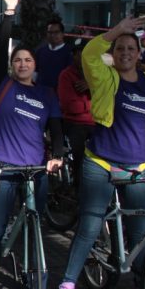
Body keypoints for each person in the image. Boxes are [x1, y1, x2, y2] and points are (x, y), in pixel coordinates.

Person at [56, 15, 145, 289]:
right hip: (101, 162)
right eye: (120, 48)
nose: (125, 53)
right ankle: (68, 284)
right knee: (90, 225)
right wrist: (117, 30)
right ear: (114, 53)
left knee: (139, 233)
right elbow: (91, 54)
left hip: (139, 165)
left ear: (139, 53)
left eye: (131, 48)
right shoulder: (105, 77)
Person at [0, 0, 63, 289]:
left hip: (36, 170)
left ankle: (36, 282)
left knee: (35, 230)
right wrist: (9, 12)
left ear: (35, 65)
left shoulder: (46, 94)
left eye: (28, 60)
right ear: (12, 66)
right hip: (4, 168)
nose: (22, 64)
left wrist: (57, 156)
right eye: (18, 60)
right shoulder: (4, 85)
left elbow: (56, 129)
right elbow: (2, 46)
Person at [56, 38, 93, 188]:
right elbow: (70, 107)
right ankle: (78, 190)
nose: (83, 57)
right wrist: (93, 104)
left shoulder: (96, 75)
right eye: (79, 54)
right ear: (74, 55)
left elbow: (108, 100)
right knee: (80, 156)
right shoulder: (66, 75)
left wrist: (91, 86)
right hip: (75, 124)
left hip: (96, 123)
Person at [34, 19, 72, 90]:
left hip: (60, 93)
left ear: (62, 34)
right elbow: (35, 72)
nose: (52, 35)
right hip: (40, 92)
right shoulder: (40, 51)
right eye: (50, 32)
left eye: (56, 32)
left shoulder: (70, 52)